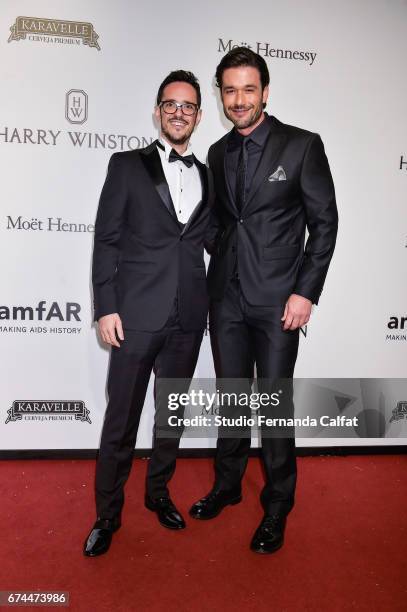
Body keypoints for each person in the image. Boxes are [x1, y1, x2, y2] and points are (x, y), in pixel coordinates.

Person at [189, 47, 338, 554]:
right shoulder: (216, 153)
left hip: (279, 302)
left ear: (266, 92)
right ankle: (227, 485)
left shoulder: (301, 146)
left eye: (248, 89)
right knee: (231, 397)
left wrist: (305, 291)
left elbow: (325, 225)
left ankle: (277, 506)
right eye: (229, 90)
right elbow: (221, 221)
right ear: (221, 95)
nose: (238, 100)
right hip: (225, 297)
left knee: (273, 405)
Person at [84, 70, 213, 557]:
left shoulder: (208, 175)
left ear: (199, 115)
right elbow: (107, 239)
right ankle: (107, 514)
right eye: (170, 104)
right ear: (158, 111)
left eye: (188, 106)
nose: (179, 112)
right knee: (121, 420)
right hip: (135, 314)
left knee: (170, 416)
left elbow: (211, 240)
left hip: (187, 317)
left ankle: (158, 493)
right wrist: (106, 307)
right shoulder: (126, 165)